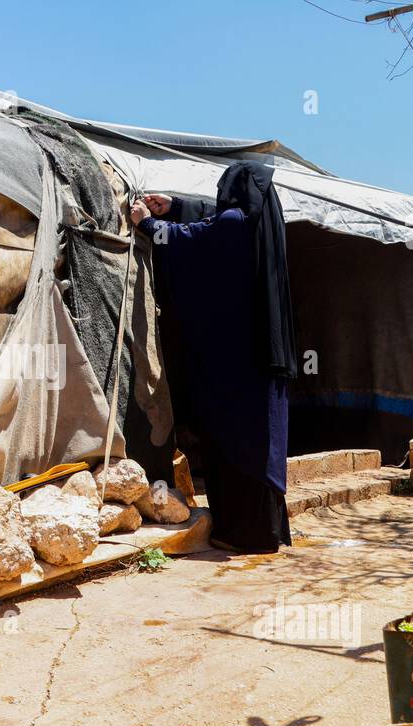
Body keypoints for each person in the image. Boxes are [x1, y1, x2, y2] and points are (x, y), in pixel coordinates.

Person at [129, 162, 298, 554]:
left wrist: (146, 223)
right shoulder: (259, 225)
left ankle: (242, 535)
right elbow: (209, 218)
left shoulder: (233, 225)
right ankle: (266, 532)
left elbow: (188, 239)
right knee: (261, 447)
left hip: (237, 369)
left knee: (235, 446)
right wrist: (174, 204)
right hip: (262, 369)